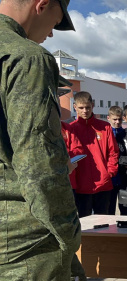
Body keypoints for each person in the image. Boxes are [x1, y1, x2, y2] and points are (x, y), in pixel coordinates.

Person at [0, 0, 83, 280]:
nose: (50, 34)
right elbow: (38, 167)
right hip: (25, 247)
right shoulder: (28, 58)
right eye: (56, 22)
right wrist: (70, 234)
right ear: (42, 4)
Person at [71, 91, 119, 217]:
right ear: (75, 107)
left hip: (103, 184)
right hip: (81, 186)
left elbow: (113, 152)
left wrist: (109, 173)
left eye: (87, 107)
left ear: (93, 105)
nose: (85, 111)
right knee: (84, 224)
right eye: (81, 108)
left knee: (103, 222)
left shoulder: (105, 127)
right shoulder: (71, 129)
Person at [107, 105, 127, 215]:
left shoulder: (125, 134)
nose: (117, 122)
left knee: (124, 207)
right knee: (109, 208)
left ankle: (125, 230)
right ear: (108, 118)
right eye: (114, 119)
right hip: (110, 177)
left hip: (123, 177)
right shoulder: (106, 133)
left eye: (119, 119)